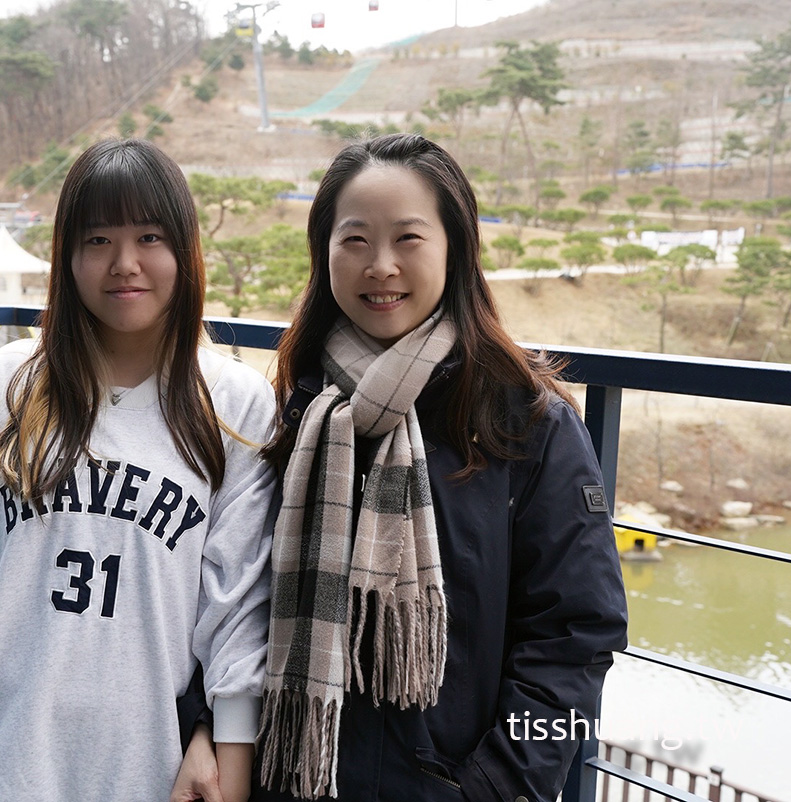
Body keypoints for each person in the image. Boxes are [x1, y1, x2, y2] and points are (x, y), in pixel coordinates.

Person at [0, 139, 277, 802]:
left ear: (186, 249)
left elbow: (237, 612)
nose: (125, 264)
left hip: (152, 772)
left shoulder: (233, 403)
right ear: (68, 257)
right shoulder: (12, 384)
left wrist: (226, 745)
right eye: (97, 240)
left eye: (150, 236)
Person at [253, 134, 628, 801]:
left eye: (409, 239)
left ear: (455, 249)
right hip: (292, 781)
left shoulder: (526, 423)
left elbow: (577, 637)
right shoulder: (295, 413)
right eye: (356, 240)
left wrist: (493, 787)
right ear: (325, 253)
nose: (381, 266)